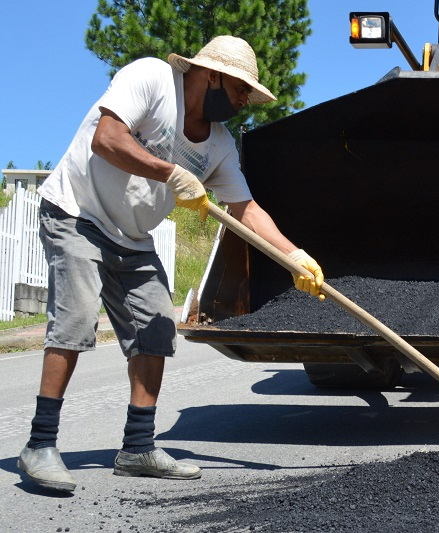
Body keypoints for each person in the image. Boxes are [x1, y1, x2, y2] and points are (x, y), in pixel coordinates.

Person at [18, 35, 324, 493]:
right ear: (213, 76)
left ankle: (138, 447)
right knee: (77, 319)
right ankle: (39, 445)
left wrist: (293, 255)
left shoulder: (218, 145)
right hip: (77, 212)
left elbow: (245, 209)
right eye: (242, 90)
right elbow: (106, 139)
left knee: (157, 327)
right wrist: (170, 172)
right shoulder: (152, 79)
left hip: (133, 237)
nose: (245, 101)